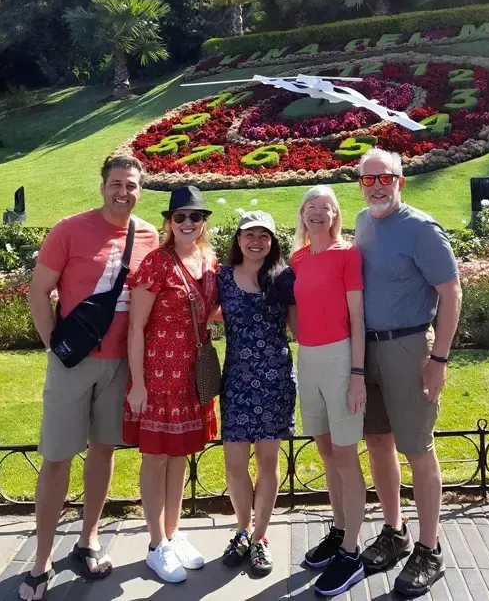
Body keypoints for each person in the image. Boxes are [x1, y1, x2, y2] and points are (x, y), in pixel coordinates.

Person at [19, 156, 159, 601]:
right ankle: (41, 561)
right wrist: (53, 346)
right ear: (102, 187)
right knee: (57, 457)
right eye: (116, 183)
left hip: (120, 362)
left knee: (103, 450)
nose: (124, 191)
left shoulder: (149, 235)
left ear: (140, 190)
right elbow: (38, 291)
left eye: (132, 185)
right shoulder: (69, 229)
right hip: (73, 363)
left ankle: (88, 540)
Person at [354, 148, 462, 598]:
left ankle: (429, 549)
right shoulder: (362, 221)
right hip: (368, 350)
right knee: (378, 442)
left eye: (386, 177)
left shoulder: (421, 229)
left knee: (418, 448)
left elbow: (451, 292)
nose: (377, 185)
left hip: (410, 346)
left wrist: (439, 360)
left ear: (401, 180)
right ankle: (395, 531)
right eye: (368, 179)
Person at [124, 185, 218, 584]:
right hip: (159, 373)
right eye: (179, 216)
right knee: (157, 457)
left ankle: (174, 533)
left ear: (203, 222)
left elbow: (211, 310)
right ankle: (155, 543)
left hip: (191, 374)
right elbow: (135, 326)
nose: (187, 223)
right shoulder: (156, 263)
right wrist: (138, 384)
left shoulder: (208, 259)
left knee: (180, 456)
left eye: (194, 216)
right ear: (168, 221)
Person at [291, 185, 367, 597]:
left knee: (344, 452)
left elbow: (357, 317)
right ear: (302, 215)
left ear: (336, 216)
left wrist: (357, 373)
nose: (318, 214)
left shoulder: (348, 254)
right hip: (308, 358)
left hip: (340, 359)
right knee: (324, 448)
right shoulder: (298, 259)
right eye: (312, 208)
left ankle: (352, 552)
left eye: (327, 208)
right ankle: (339, 531)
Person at [218, 210, 297, 577]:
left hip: (274, 379)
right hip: (236, 380)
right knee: (235, 465)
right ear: (238, 239)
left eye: (264, 236)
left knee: (267, 463)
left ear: (272, 242)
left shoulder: (282, 278)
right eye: (249, 234)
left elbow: (299, 325)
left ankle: (260, 538)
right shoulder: (221, 277)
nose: (256, 242)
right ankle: (242, 530)